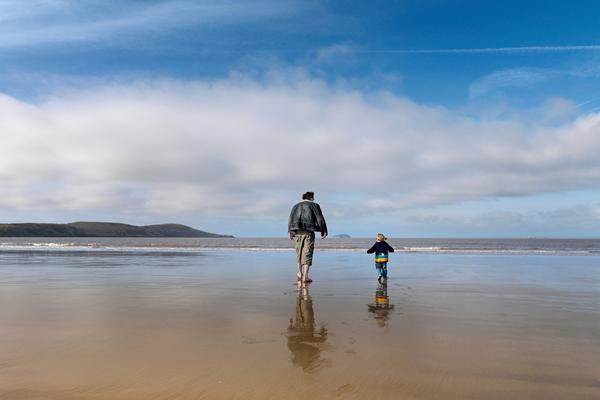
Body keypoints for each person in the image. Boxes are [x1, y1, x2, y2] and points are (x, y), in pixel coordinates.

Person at [288, 191, 328, 283]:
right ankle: (305, 277)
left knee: (299, 253)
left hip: (297, 232)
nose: (314, 199)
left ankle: (299, 273)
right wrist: (324, 230)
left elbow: (291, 218)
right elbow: (320, 218)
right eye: (313, 197)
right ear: (311, 197)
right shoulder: (314, 205)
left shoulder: (295, 206)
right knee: (307, 253)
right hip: (308, 232)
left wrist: (290, 232)